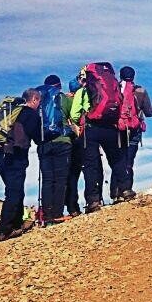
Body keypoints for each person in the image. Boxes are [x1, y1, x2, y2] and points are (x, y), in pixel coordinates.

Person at [71, 62, 124, 212]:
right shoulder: (113, 85)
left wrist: (81, 120)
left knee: (91, 165)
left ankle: (94, 200)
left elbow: (74, 114)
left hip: (91, 128)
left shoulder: (83, 91)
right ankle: (124, 189)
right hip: (110, 127)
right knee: (116, 159)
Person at [0, 88, 40, 241]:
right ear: (34, 99)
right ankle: (5, 229)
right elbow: (38, 137)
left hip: (0, 156)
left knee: (15, 189)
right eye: (38, 101)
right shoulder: (31, 114)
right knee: (14, 192)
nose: (39, 105)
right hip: (15, 156)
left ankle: (17, 224)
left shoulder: (14, 111)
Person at [115, 65, 152, 202]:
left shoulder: (115, 89)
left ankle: (116, 192)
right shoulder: (140, 91)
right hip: (134, 130)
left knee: (117, 159)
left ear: (121, 76)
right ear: (133, 76)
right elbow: (149, 112)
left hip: (118, 130)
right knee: (129, 161)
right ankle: (127, 189)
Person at [34, 74, 74, 223]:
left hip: (44, 143)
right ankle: (57, 213)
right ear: (58, 86)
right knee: (61, 179)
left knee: (47, 179)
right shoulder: (63, 98)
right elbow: (74, 115)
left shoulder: (38, 100)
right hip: (62, 141)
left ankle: (47, 216)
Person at [63, 78, 86, 217]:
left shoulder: (63, 100)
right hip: (77, 140)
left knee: (67, 175)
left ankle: (70, 206)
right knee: (75, 174)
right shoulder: (79, 100)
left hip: (65, 141)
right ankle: (73, 206)